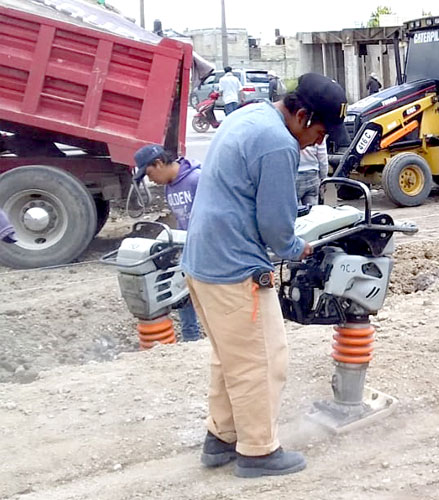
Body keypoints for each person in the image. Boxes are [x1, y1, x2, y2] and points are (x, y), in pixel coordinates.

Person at [181, 73, 348, 477]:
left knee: (231, 357)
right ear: (303, 116)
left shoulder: (251, 115)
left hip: (203, 261)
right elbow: (276, 224)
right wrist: (296, 247)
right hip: (234, 267)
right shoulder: (278, 144)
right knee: (263, 359)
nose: (319, 142)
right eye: (321, 132)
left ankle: (221, 437)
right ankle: (258, 452)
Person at [133, 145, 201, 342]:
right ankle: (191, 340)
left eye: (149, 173)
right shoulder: (170, 186)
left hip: (206, 248)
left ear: (159, 163)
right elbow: (181, 219)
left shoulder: (196, 179)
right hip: (187, 246)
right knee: (182, 293)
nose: (150, 179)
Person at [296, 139, 329, 206]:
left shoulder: (293, 130)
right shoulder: (318, 132)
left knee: (295, 210)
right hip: (313, 175)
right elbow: (323, 158)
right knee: (312, 210)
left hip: (296, 173)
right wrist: (323, 178)